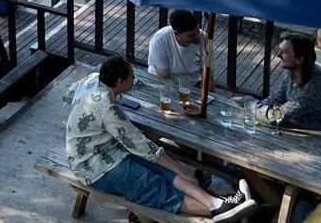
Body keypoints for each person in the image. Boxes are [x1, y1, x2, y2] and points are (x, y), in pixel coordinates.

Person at [66, 56, 256, 222]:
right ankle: (221, 211)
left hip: (110, 151)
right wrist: (181, 169)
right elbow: (140, 144)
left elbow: (70, 93)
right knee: (154, 186)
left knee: (162, 166)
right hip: (93, 167)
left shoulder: (92, 79)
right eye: (132, 76)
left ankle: (217, 203)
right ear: (120, 81)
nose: (135, 79)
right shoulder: (107, 107)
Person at [241, 33, 321, 132]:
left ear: (299, 59)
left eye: (283, 52)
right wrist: (260, 106)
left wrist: (248, 102)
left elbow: (275, 117)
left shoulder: (315, 85)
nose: (278, 55)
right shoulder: (294, 70)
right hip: (298, 125)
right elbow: (278, 97)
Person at [147, 9, 208, 86]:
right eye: (191, 35)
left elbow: (208, 74)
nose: (198, 36)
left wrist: (211, 96)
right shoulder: (159, 41)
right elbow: (164, 78)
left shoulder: (204, 37)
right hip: (162, 83)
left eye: (197, 30)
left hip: (192, 83)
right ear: (176, 33)